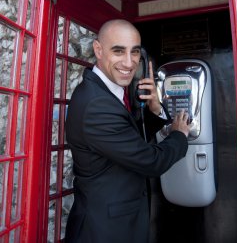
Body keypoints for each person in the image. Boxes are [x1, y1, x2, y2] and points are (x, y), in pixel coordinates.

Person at [65, 19, 190, 243]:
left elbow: (129, 140)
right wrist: (179, 134)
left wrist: (155, 109)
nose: (129, 62)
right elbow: (151, 161)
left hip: (117, 222)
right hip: (104, 230)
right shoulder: (97, 105)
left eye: (135, 52)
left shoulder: (108, 92)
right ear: (98, 50)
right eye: (118, 51)